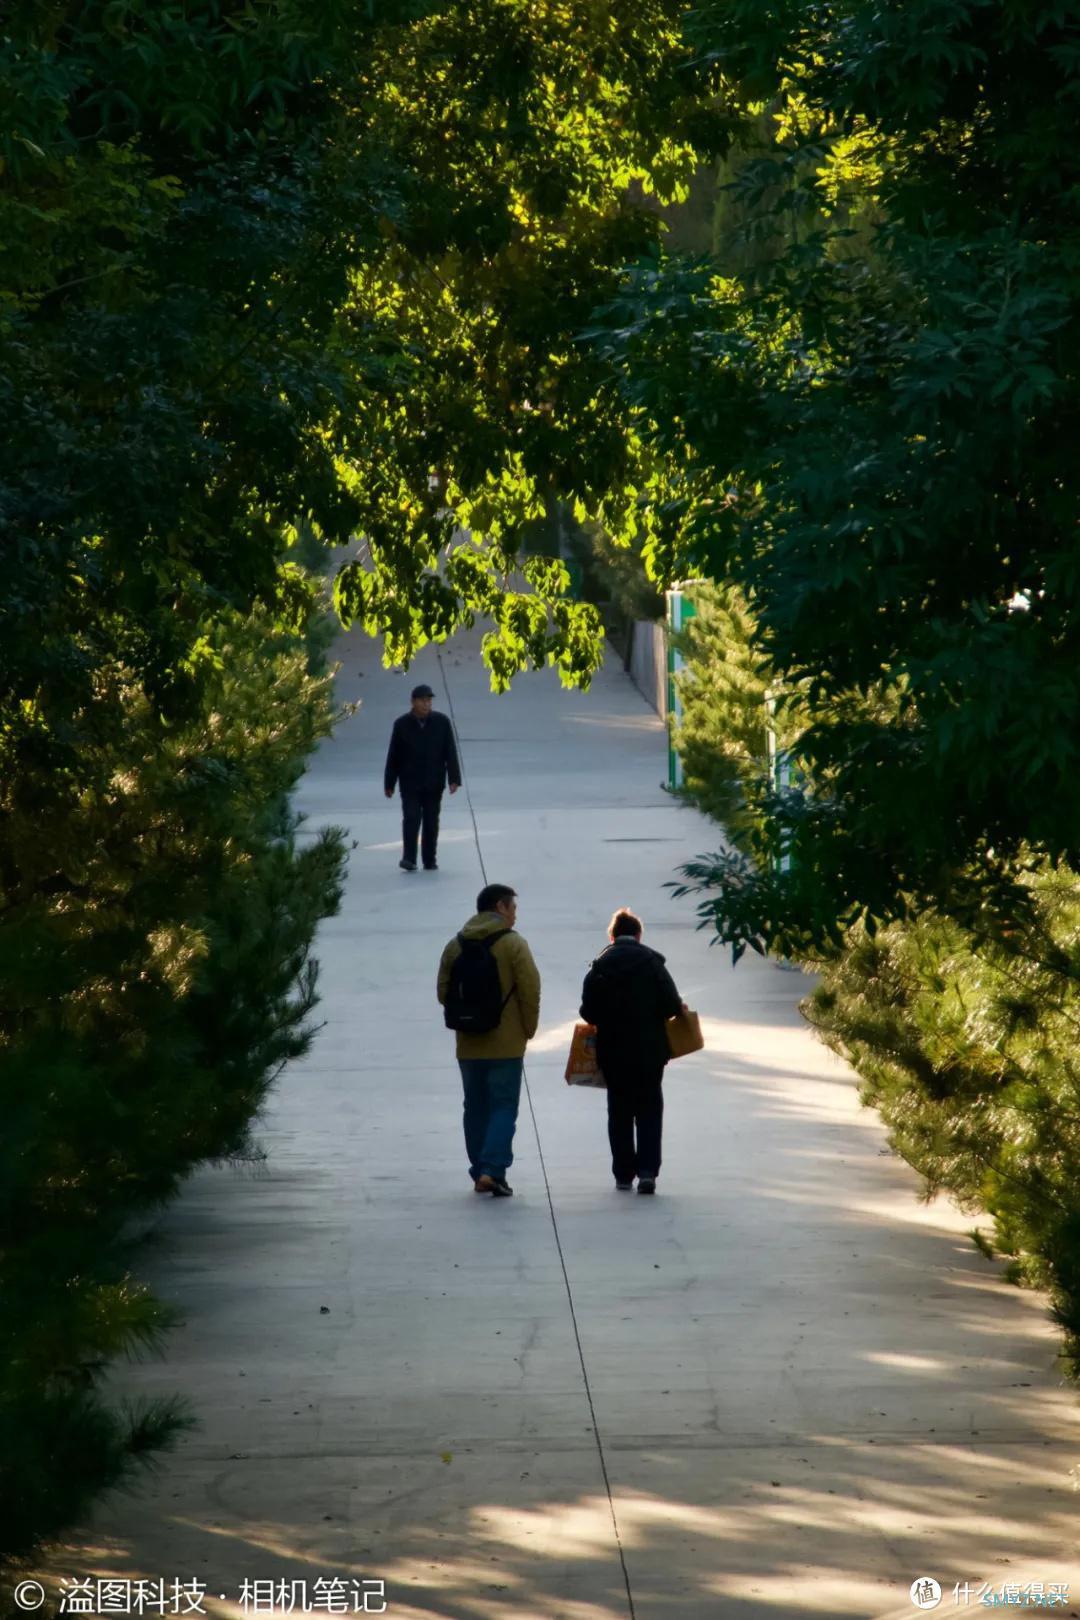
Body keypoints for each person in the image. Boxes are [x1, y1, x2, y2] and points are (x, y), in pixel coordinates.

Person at [437, 884, 541, 1197]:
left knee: (475, 1106)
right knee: (504, 1105)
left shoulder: (455, 945)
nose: (515, 916)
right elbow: (530, 990)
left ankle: (479, 1168)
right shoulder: (514, 944)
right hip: (506, 1043)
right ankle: (492, 1170)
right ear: (500, 907)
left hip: (468, 1044)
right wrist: (527, 1028)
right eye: (513, 908)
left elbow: (443, 992)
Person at [580, 907, 683, 1195]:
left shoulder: (599, 966)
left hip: (613, 1051)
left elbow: (588, 1011)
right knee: (650, 1109)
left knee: (620, 1112)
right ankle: (648, 1173)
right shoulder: (653, 963)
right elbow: (672, 1006)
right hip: (650, 1051)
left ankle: (623, 1175)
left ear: (611, 936)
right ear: (638, 935)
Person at [384, 683, 461, 871]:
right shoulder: (401, 725)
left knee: (431, 821)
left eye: (429, 700)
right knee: (411, 818)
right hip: (409, 782)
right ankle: (409, 858)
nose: (427, 704)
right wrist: (389, 783)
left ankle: (429, 859)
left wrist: (454, 778)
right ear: (413, 702)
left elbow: (450, 751)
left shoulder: (442, 722)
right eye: (423, 701)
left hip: (434, 782)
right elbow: (394, 755)